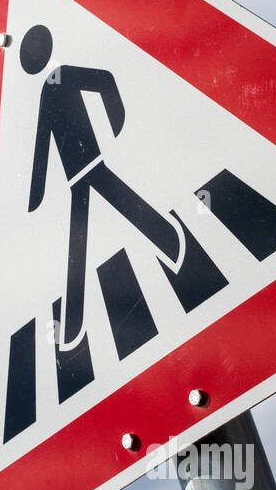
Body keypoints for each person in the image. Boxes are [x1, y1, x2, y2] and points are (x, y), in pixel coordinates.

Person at [22, 24, 182, 348]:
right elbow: (43, 143)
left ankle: (171, 241)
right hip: (76, 178)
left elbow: (104, 81)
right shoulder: (47, 91)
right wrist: (35, 197)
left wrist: (117, 122)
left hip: (91, 165)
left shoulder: (64, 74)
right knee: (82, 239)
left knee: (106, 219)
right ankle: (74, 321)